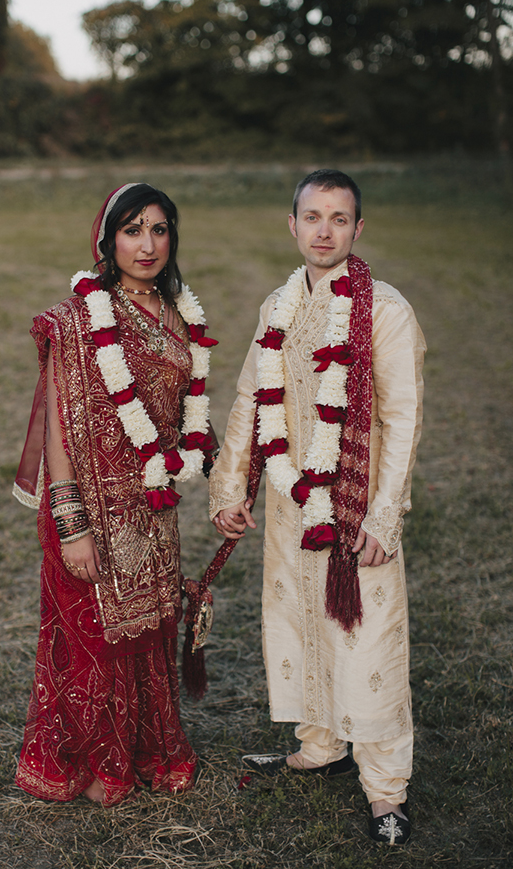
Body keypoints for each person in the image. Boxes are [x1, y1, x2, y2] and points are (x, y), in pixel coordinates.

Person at [209, 169, 425, 845]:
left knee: (366, 643)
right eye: (312, 216)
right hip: (288, 503)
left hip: (354, 508)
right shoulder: (278, 306)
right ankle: (320, 744)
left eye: (339, 218)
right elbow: (249, 400)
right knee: (302, 621)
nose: (324, 230)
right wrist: (226, 489)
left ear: (359, 229)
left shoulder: (382, 309)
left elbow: (403, 417)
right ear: (293, 224)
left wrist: (384, 516)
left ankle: (387, 791)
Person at [13, 183, 217, 806]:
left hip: (151, 506)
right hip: (91, 506)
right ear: (108, 240)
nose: (147, 244)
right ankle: (96, 759)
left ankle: (144, 746)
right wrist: (72, 525)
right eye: (132, 230)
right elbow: (57, 428)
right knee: (96, 633)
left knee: (149, 626)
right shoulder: (79, 318)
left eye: (159, 229)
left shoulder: (176, 311)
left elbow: (190, 412)